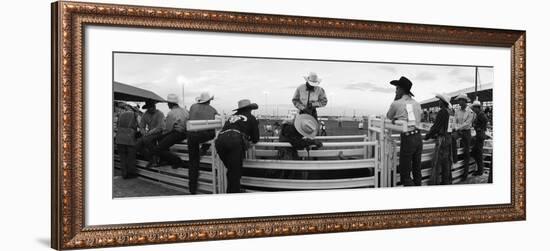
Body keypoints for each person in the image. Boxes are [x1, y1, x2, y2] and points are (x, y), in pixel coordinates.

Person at [215, 99, 260, 193]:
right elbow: (256, 138)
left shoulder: (231, 117)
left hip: (220, 140)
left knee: (231, 171)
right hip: (234, 140)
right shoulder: (251, 118)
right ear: (249, 108)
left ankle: (230, 193)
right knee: (235, 173)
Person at [386, 76, 423, 186]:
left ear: (401, 89)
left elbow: (389, 116)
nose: (396, 90)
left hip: (408, 138)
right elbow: (417, 119)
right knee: (417, 169)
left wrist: (395, 98)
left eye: (397, 88)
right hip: (418, 137)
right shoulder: (417, 104)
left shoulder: (396, 103)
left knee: (405, 173)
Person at [187, 92, 218, 194]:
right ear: (209, 101)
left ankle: (192, 188)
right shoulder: (213, 110)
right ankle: (204, 147)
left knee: (193, 161)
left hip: (192, 135)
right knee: (213, 134)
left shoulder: (192, 107)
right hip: (204, 135)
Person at [152, 94, 189, 169]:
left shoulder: (171, 113)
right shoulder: (185, 111)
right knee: (162, 140)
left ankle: (177, 161)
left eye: (168, 103)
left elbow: (168, 129)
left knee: (157, 149)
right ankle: (166, 160)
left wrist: (162, 134)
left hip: (177, 133)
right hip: (186, 132)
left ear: (170, 104)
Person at [424, 94, 453, 185]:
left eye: (440, 100)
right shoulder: (451, 111)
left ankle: (435, 183)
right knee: (447, 163)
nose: (438, 102)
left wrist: (428, 135)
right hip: (448, 138)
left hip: (442, 140)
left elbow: (436, 127)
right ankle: (447, 182)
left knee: (436, 163)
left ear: (443, 102)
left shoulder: (442, 112)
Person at [136, 100, 165, 167]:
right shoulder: (145, 114)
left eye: (152, 107)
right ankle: (150, 158)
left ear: (154, 107)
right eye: (149, 107)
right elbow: (141, 126)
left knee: (147, 140)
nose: (151, 109)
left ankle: (154, 160)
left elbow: (160, 126)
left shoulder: (160, 113)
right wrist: (144, 132)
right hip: (150, 133)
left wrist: (150, 132)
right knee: (137, 145)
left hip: (159, 132)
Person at [453, 93, 474, 181]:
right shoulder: (457, 110)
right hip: (459, 131)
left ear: (465, 101)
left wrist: (457, 127)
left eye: (460, 100)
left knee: (466, 152)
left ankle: (465, 173)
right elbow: (454, 120)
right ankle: (455, 159)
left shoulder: (470, 112)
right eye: (458, 100)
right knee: (451, 139)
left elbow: (467, 123)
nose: (459, 102)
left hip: (466, 131)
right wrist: (455, 127)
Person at [115, 106, 140, 179]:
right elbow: (139, 125)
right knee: (131, 157)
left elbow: (117, 126)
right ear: (136, 110)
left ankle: (124, 174)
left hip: (119, 137)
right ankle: (131, 174)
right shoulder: (135, 115)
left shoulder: (121, 114)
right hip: (129, 138)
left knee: (122, 158)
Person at [471, 100, 489, 177]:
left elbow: (485, 120)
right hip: (479, 135)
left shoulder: (481, 114)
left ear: (477, 108)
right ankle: (480, 169)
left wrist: (480, 128)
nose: (473, 110)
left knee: (477, 153)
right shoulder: (479, 114)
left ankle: (480, 170)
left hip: (480, 135)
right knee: (477, 152)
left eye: (474, 108)